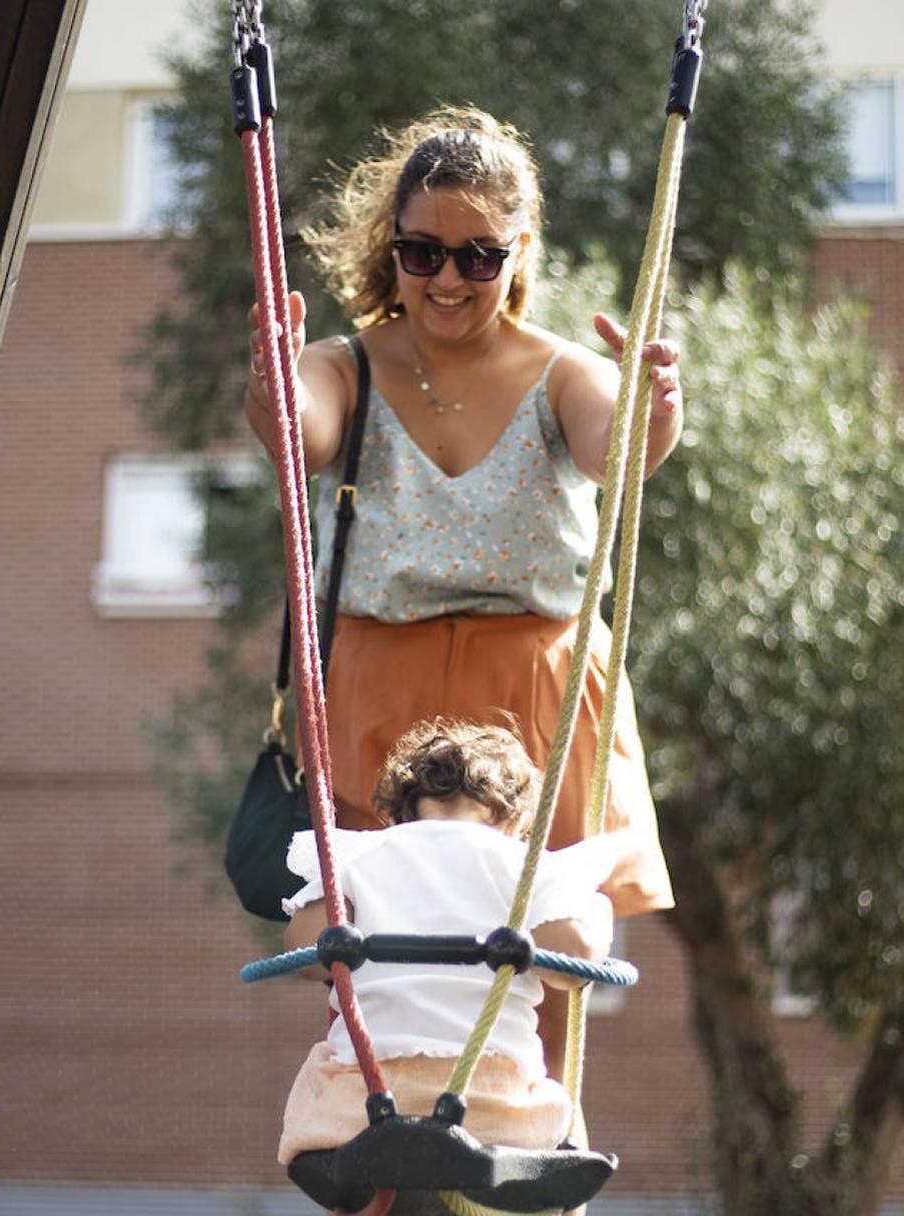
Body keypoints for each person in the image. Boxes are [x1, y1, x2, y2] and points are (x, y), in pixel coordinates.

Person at [241, 108, 682, 1076]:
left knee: (543, 953)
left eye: (480, 257)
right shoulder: (344, 365)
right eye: (422, 251)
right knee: (372, 956)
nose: (447, 278)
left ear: (518, 253)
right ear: (389, 247)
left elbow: (619, 450)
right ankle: (383, 1150)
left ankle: (533, 1152)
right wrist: (272, 370)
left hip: (537, 695)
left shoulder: (563, 370)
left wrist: (655, 408)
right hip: (381, 690)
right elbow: (298, 435)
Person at [277, 717, 617, 1165]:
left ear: (401, 810)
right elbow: (569, 966)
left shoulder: (359, 855)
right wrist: (596, 914)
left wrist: (340, 921)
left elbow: (306, 956)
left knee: (323, 1102)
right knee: (568, 1127)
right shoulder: (529, 865)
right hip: (495, 1108)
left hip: (359, 1105)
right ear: (518, 820)